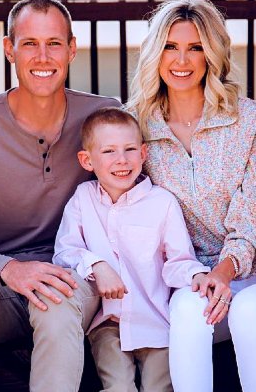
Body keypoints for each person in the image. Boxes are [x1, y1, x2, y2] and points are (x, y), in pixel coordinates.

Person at [0, 0, 120, 391]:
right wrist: (9, 269)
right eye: (30, 43)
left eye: (54, 43)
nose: (43, 56)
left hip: (72, 277)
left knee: (56, 304)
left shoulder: (104, 118)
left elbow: (139, 203)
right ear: (10, 49)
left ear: (71, 49)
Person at [126, 0, 256, 392]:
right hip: (190, 282)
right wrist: (200, 277)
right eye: (171, 47)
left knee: (247, 312)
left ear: (211, 54)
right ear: (155, 54)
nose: (182, 60)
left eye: (195, 47)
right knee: (188, 315)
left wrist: (224, 271)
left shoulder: (248, 119)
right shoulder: (138, 128)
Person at [53, 107, 210, 392]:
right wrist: (97, 265)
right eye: (109, 151)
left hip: (156, 323)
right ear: (87, 160)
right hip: (107, 324)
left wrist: (196, 275)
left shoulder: (162, 203)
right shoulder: (82, 199)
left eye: (129, 149)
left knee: (158, 388)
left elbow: (178, 260)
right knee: (118, 388)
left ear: (143, 154)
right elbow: (65, 251)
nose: (122, 160)